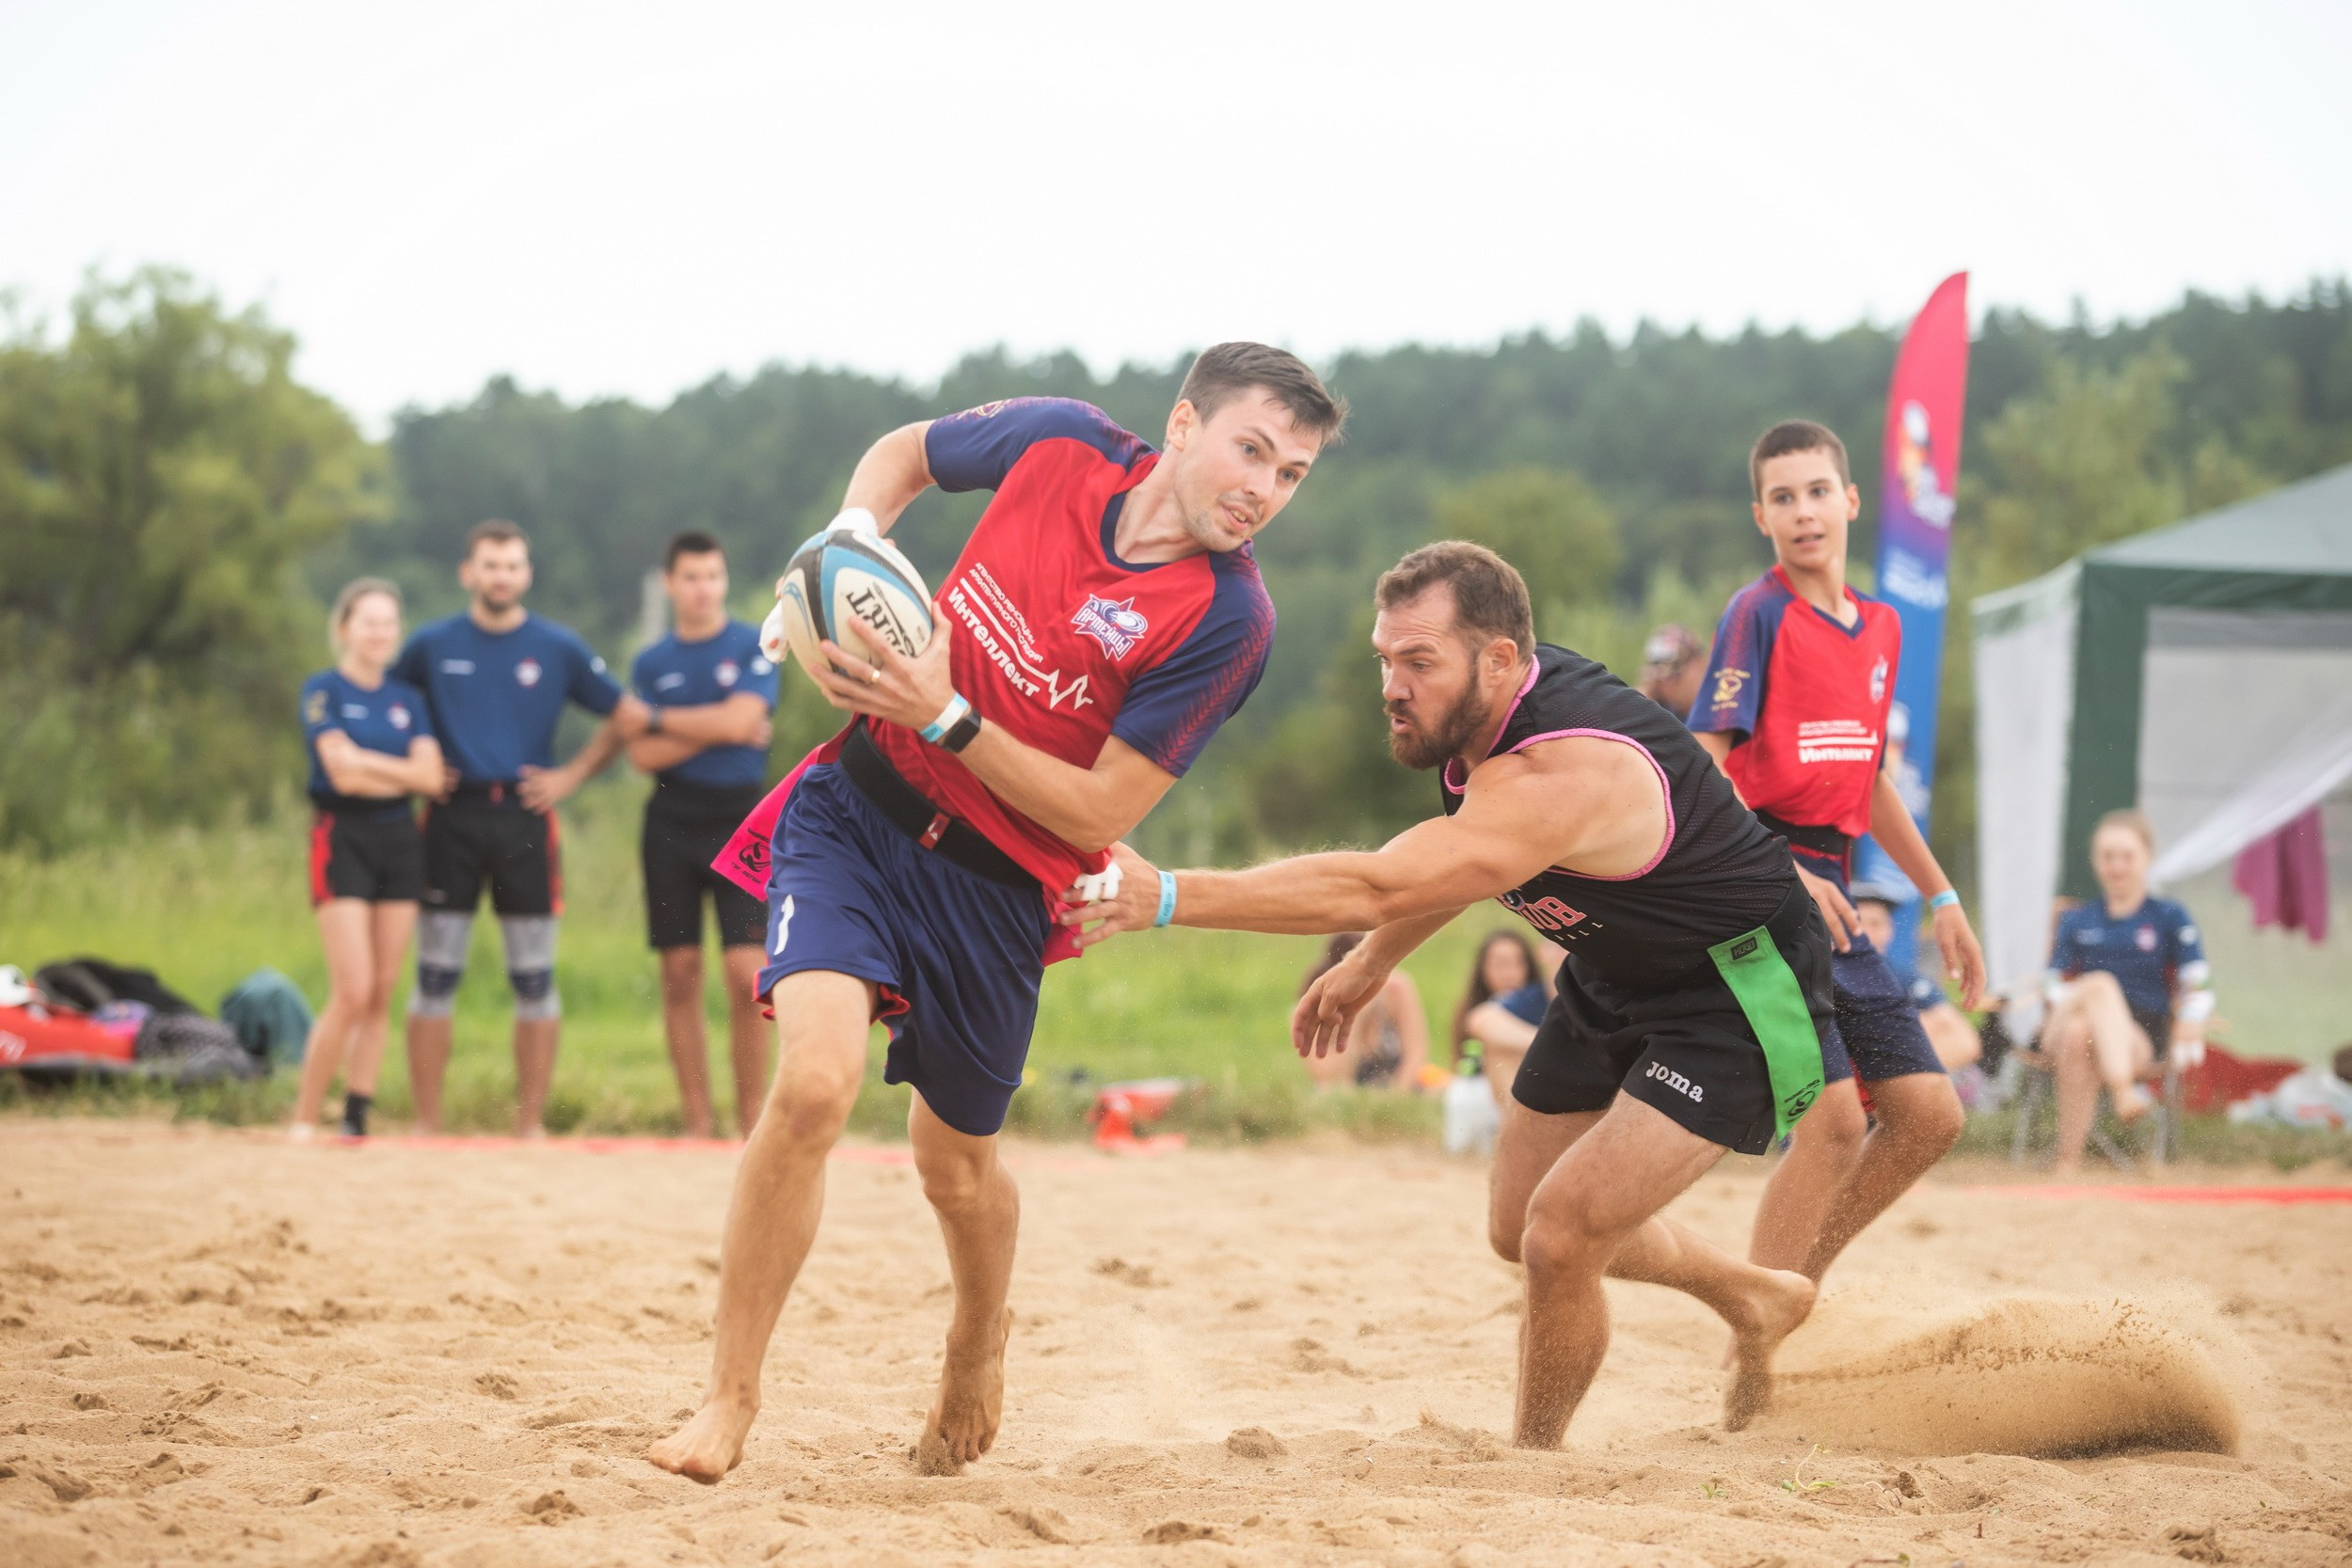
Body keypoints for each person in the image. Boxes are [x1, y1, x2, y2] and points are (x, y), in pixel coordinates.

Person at [647, 344, 1347, 1483]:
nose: (1263, 487)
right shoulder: (1059, 440)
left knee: (953, 1165)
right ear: (1182, 425)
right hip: (859, 814)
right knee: (814, 1085)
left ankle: (977, 1336)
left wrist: (950, 714)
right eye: (1252, 449)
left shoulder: (1230, 617)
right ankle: (726, 1402)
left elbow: (1104, 808)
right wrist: (842, 551)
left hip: (998, 889)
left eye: (1293, 473)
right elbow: (904, 454)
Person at [1070, 541, 1829, 1447]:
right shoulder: (1479, 721)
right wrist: (1372, 963)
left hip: (1736, 989)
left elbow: (1384, 882)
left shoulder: (1563, 771)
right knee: (1517, 1225)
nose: (1393, 684)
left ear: (1500, 658)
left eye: (1418, 661)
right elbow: (1461, 853)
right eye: (1385, 659)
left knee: (1560, 1237)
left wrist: (1165, 896)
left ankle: (1532, 1460)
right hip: (1615, 970)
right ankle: (1754, 1294)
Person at [1687, 420, 1984, 1290]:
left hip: (1838, 888)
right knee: (1834, 1126)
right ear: (1761, 516)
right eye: (1783, 497)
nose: (1803, 511)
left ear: (1850, 501)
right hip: (1761, 878)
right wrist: (1780, 866)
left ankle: (1789, 1291)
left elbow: (1871, 782)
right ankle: (1762, 1332)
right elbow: (1703, 767)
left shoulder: (1883, 627)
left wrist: (1943, 898)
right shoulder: (1758, 610)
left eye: (1817, 491)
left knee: (1929, 1115)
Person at [390, 520, 650, 1134]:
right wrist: (417, 760)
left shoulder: (556, 646)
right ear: (468, 572)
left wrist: (574, 774)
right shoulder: (432, 644)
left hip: (526, 820)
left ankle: (528, 1124)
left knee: (534, 978)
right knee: (434, 976)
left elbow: (630, 714)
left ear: (525, 574)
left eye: (511, 565)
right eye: (489, 564)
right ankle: (427, 1123)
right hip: (450, 818)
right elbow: (388, 705)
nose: (500, 575)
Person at [629, 531, 781, 1139]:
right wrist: (718, 727)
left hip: (742, 819)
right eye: (691, 577)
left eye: (713, 576)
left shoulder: (754, 644)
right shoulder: (651, 662)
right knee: (680, 970)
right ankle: (697, 1119)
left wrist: (669, 722)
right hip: (669, 820)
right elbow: (640, 753)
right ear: (671, 584)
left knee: (747, 973)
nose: (703, 588)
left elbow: (744, 719)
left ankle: (750, 1122)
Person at [289, 580, 445, 1140]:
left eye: (388, 623)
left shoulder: (408, 700)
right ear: (344, 628)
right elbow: (342, 774)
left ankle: (357, 1111)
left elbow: (430, 778)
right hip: (342, 836)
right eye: (368, 621)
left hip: (400, 839)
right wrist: (386, 767)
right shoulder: (323, 692)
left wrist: (369, 760)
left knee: (381, 987)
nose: (379, 633)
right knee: (351, 988)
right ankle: (306, 1114)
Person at [2033, 809, 2214, 1173]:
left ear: (2147, 858)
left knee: (2079, 1034)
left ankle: (2067, 1162)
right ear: (2096, 861)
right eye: (2107, 857)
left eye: (2126, 857)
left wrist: (2193, 1018)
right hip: (2065, 1017)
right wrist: (2085, 994)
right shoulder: (2076, 918)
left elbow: (2198, 977)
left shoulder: (2169, 916)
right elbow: (2050, 983)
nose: (2117, 866)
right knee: (2098, 988)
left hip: (2136, 1039)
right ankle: (2122, 1093)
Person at [1850, 886, 1979, 1071]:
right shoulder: (1821, 976)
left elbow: (1965, 1041)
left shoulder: (1903, 977)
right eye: (1856, 922)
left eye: (1876, 924)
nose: (1866, 932)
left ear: (1890, 929)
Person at [1297, 934, 1430, 1090]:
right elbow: (1332, 1078)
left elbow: (1416, 1054)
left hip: (1398, 1090)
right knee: (1326, 1090)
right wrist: (1356, 1017)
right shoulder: (1321, 1002)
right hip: (1349, 1092)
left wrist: (1394, 1100)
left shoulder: (1395, 988)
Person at [1450, 929, 1554, 1108]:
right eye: (1501, 964)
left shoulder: (1536, 997)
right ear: (1483, 968)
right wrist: (1552, 1046)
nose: (1511, 973)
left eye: (1519, 963)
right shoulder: (1490, 1008)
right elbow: (1480, 1021)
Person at [1637, 623, 1708, 720]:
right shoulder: (1655, 711)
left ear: (1698, 662)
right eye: (1658, 677)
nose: (1667, 685)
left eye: (1675, 675)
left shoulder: (1718, 709)